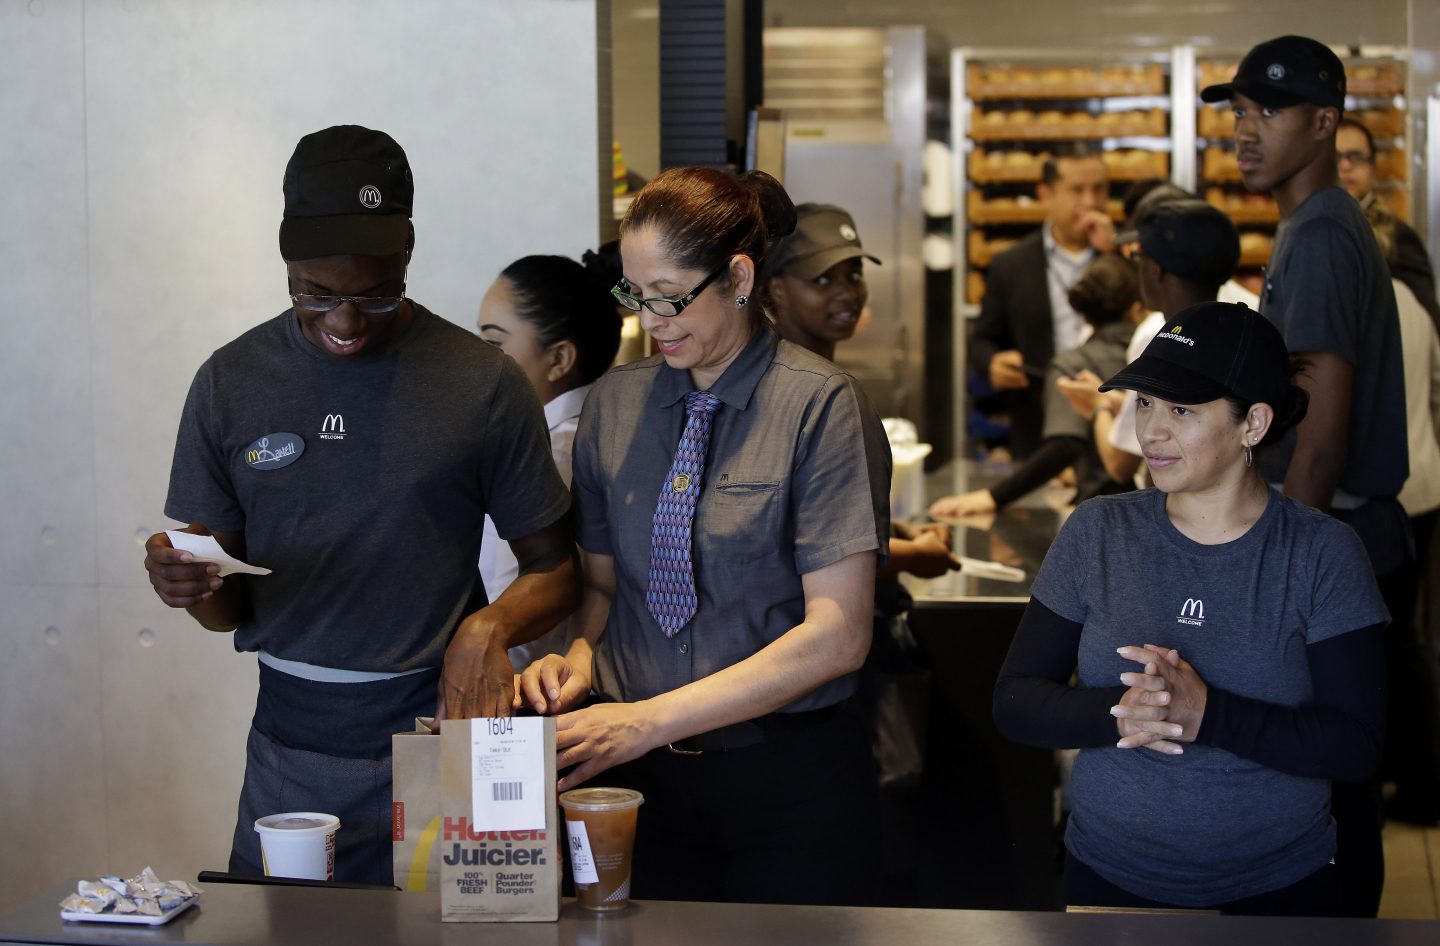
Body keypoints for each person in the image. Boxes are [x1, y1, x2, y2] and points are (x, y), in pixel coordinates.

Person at [143, 126, 579, 884]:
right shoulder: (230, 382)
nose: (345, 323)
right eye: (316, 294)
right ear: (285, 262)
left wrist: (490, 625)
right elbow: (229, 612)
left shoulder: (481, 383)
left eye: (376, 295)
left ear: (407, 253)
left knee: (473, 936)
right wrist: (190, 585)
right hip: (294, 745)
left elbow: (555, 568)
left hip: (453, 730)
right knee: (289, 933)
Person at [515, 167, 893, 906]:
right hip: (633, 775)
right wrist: (574, 660)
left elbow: (839, 635)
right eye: (634, 294)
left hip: (783, 776)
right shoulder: (615, 407)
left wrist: (645, 722)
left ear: (739, 278)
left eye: (669, 294)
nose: (650, 319)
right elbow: (603, 588)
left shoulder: (820, 406)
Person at [994, 300, 1387, 915]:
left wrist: (1209, 715)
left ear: (1253, 423)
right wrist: (1123, 712)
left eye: (1181, 410)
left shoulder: (1322, 554)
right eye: (1145, 403)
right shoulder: (1098, 531)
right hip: (1107, 881)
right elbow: (1015, 700)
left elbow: (1356, 745)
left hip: (1278, 891)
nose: (1150, 431)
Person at [1202, 36, 1410, 915]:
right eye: (1240, 112)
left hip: (1339, 537)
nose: (1247, 131)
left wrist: (1279, 561)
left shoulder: (1322, 232)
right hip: (1349, 537)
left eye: (1271, 111)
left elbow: (1322, 429)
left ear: (1325, 124)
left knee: (1332, 782)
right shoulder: (1312, 226)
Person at [766, 202, 959, 785]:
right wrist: (914, 556)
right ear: (773, 288)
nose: (846, 292)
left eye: (852, 274)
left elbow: (820, 515)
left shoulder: (828, 385)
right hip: (797, 666)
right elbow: (785, 546)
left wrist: (891, 534)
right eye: (821, 279)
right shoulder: (789, 391)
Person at [476, 255, 623, 669]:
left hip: (524, 682)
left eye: (493, 344)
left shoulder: (552, 452)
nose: (477, 361)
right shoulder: (599, 429)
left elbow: (511, 606)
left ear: (559, 359)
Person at [931, 253, 1141, 519]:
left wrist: (993, 497)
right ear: (1136, 307)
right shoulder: (1156, 352)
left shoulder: (1074, 365)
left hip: (1103, 512)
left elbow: (1066, 445)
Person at [1061, 197, 1249, 487]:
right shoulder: (1242, 334)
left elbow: (1135, 466)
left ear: (1155, 270)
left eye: (1139, 257)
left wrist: (1099, 407)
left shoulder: (1162, 343)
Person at [968, 145, 1113, 459]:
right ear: (1046, 195)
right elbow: (981, 339)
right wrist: (992, 362)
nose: (1090, 202)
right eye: (1077, 190)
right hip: (1038, 423)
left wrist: (1114, 253)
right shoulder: (1011, 264)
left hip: (1115, 419)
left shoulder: (1123, 258)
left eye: (1099, 189)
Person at [1336, 117, 1440, 329]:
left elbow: (1426, 319)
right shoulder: (1311, 228)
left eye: (1355, 157)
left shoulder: (1397, 236)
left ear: (1373, 169)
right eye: (1335, 157)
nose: (1345, 166)